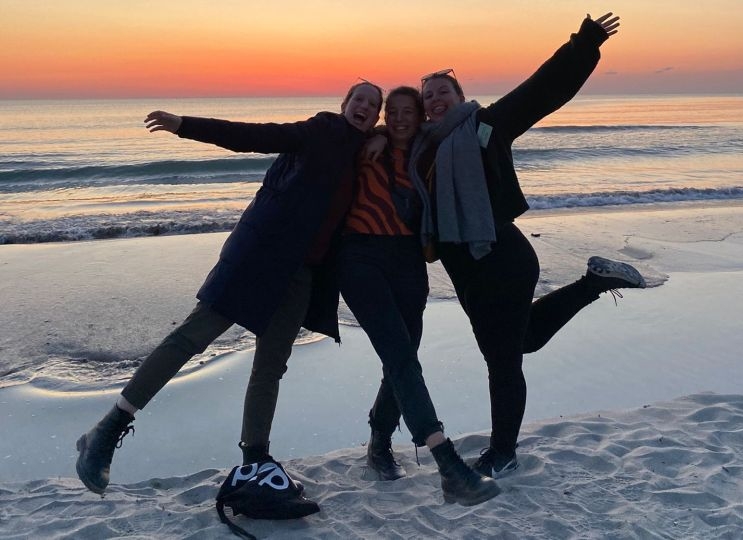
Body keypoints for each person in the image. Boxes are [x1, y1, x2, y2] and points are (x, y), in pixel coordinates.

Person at [74, 82, 383, 501]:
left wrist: (379, 138)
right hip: (259, 256)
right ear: (343, 105)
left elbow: (409, 140)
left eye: (372, 105)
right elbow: (253, 136)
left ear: (376, 117)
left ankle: (255, 459)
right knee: (190, 338)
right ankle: (106, 430)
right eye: (358, 100)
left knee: (271, 366)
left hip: (300, 275)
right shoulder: (319, 130)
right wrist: (185, 125)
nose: (363, 107)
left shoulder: (364, 150)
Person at [408, 12, 646, 479]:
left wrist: (583, 44)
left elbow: (541, 91)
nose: (435, 101)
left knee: (502, 360)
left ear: (460, 96)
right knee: (523, 341)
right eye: (428, 95)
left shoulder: (485, 126)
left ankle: (503, 451)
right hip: (468, 271)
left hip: (503, 259)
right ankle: (593, 282)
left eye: (443, 92)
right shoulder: (422, 148)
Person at [337, 87, 499, 505]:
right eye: (393, 111)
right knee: (400, 354)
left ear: (420, 115)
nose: (400, 118)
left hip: (408, 258)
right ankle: (446, 460)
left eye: (409, 111)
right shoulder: (365, 143)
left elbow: (464, 121)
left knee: (404, 352)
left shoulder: (430, 147)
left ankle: (378, 441)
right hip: (359, 256)